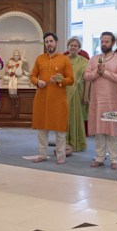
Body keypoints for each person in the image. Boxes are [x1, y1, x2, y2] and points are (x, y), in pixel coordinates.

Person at [85, 32, 117, 169]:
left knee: (112, 130)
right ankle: (99, 157)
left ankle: (114, 160)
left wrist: (105, 73)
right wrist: (97, 73)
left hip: (112, 101)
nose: (104, 44)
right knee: (99, 130)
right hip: (97, 100)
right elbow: (86, 76)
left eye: (107, 42)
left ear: (113, 43)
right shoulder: (94, 59)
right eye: (102, 41)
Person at [30, 32, 74, 164]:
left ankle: (60, 156)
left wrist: (60, 80)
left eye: (51, 41)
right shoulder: (40, 59)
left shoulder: (64, 59)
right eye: (47, 42)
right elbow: (32, 76)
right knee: (42, 129)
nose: (49, 44)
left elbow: (71, 79)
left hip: (58, 100)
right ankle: (42, 154)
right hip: (42, 99)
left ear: (56, 42)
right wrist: (38, 82)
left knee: (60, 129)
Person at [65, 37, 88, 152]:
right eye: (71, 45)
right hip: (64, 92)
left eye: (75, 46)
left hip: (78, 93)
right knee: (65, 118)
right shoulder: (63, 59)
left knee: (76, 117)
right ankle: (65, 142)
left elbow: (87, 80)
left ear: (79, 48)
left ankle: (77, 143)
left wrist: (86, 95)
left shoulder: (84, 61)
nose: (73, 47)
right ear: (68, 47)